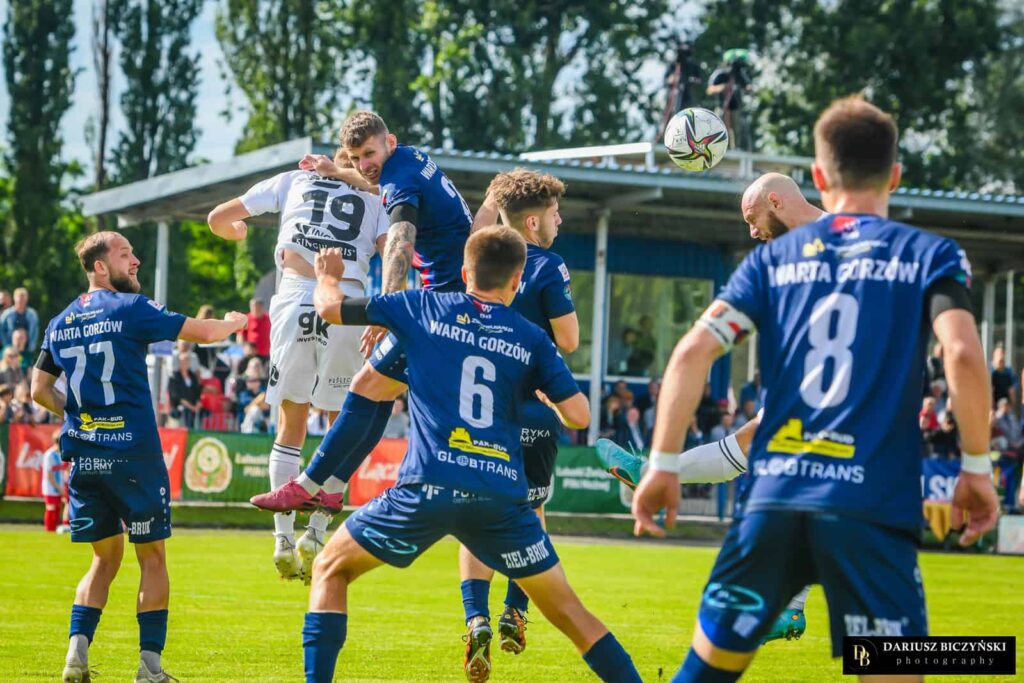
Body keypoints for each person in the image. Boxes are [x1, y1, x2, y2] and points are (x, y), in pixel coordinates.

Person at [631, 97, 998, 681]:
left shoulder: (771, 263)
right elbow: (962, 353)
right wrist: (976, 467)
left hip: (775, 499)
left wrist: (663, 463)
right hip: (870, 506)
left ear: (820, 178)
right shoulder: (930, 255)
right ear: (895, 176)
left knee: (706, 671)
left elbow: (693, 352)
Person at [301, 229, 641, 683]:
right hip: (500, 497)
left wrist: (328, 277)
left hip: (427, 488)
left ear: (464, 272)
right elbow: (579, 415)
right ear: (517, 280)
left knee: (330, 569)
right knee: (571, 614)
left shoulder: (421, 306)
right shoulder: (532, 338)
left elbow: (330, 308)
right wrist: (543, 390)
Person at [599, 170, 828, 644]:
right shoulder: (781, 259)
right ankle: (791, 606)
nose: (752, 231)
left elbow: (694, 352)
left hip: (844, 392)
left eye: (752, 218)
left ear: (776, 201)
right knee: (758, 448)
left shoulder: (844, 240)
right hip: (811, 386)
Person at [31, 231, 246, 683]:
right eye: (125, 254)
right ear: (100, 267)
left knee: (103, 560)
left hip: (86, 458)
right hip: (134, 455)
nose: (136, 261)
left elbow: (38, 389)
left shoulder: (59, 321)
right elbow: (205, 333)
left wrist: (80, 414)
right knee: (152, 558)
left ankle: (75, 655)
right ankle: (149, 668)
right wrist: (233, 323)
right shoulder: (130, 308)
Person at [250, 110, 475, 529]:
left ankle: (309, 484)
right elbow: (375, 183)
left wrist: (387, 309)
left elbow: (400, 243)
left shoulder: (400, 181)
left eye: (369, 154)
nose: (364, 164)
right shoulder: (408, 160)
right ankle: (331, 489)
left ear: (390, 142)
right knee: (377, 392)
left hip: (440, 303)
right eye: (356, 158)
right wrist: (338, 170)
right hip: (453, 296)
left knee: (365, 386)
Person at [208, 135, 390, 582]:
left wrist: (237, 232)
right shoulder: (375, 197)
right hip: (347, 303)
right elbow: (395, 255)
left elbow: (218, 218)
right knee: (342, 425)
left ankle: (282, 539)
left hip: (293, 297)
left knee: (291, 424)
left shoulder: (294, 179)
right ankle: (317, 533)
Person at [454, 169, 580, 669]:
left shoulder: (478, 259)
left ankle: (475, 618)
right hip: (534, 409)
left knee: (475, 518)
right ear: (532, 223)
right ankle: (515, 610)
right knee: (531, 513)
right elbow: (569, 340)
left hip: (479, 412)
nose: (558, 220)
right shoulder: (549, 264)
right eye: (554, 213)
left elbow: (479, 228)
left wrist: (492, 195)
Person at [706, 49, 754, 151]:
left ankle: (736, 148)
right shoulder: (720, 73)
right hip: (722, 106)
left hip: (735, 106)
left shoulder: (739, 74)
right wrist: (724, 87)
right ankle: (719, 148)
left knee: (737, 128)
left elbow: (747, 85)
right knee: (721, 128)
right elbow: (710, 89)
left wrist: (749, 88)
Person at [167, 349, 202, 429]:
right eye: (183, 361)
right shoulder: (174, 377)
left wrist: (198, 403)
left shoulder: (193, 377)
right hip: (179, 408)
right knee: (186, 412)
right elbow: (176, 396)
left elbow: (197, 391)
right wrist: (191, 407)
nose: (185, 363)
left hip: (193, 407)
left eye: (187, 361)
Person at [0, 287, 40, 352]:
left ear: (26, 299)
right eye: (19, 299)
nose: (21, 301)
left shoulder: (32, 314)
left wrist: (32, 346)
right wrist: (6, 345)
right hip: (10, 348)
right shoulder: (7, 314)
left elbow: (35, 331)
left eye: (23, 299)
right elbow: (1, 330)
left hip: (27, 348)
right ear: (14, 299)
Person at [42, 431, 67, 532]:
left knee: (57, 508)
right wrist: (59, 488)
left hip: (59, 486)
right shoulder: (49, 455)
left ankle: (53, 530)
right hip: (50, 488)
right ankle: (49, 529)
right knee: (51, 508)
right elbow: (49, 475)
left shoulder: (62, 454)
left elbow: (65, 469)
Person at [239, 298, 271, 363]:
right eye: (252, 307)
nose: (254, 309)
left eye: (256, 307)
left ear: (261, 307)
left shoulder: (269, 318)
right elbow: (240, 336)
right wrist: (244, 348)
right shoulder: (246, 319)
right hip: (251, 353)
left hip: (266, 353)